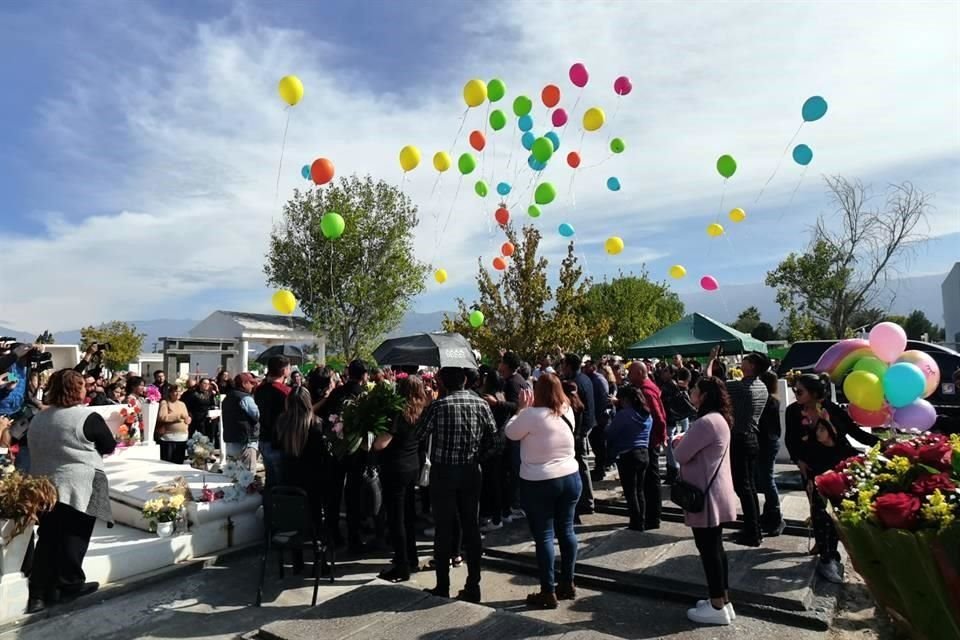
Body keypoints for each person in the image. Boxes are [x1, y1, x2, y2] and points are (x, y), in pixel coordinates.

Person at [26, 369, 116, 613]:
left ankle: (39, 594)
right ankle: (69, 585)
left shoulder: (39, 418)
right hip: (78, 484)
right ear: (76, 390)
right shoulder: (86, 417)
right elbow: (108, 445)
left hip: (44, 486)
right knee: (73, 538)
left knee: (48, 538)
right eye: (82, 386)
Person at [416, 367, 497, 603]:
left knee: (443, 528)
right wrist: (478, 457)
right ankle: (474, 584)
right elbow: (494, 440)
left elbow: (420, 434)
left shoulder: (439, 406)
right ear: (463, 381)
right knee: (471, 526)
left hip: (444, 471)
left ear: (443, 382)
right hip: (471, 471)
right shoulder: (480, 404)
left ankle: (443, 584)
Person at [504, 373, 581, 609]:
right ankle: (567, 582)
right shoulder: (566, 409)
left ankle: (548, 591)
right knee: (567, 530)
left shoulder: (531, 415)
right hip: (570, 476)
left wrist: (520, 409)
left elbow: (510, 432)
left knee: (545, 536)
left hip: (539, 481)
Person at [673, 376, 738, 626]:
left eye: (695, 390)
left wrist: (678, 440)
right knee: (716, 548)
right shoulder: (720, 419)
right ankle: (723, 599)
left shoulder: (705, 422)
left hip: (705, 493)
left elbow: (680, 453)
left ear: (704, 396)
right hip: (716, 489)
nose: (691, 392)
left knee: (708, 550)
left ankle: (716, 605)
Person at [373, 374, 429, 582]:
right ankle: (411, 557)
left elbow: (381, 443)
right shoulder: (422, 411)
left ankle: (402, 565)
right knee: (408, 515)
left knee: (396, 519)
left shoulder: (397, 412)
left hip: (395, 467)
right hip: (412, 464)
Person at [715, 351, 769, 547]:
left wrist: (713, 360)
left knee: (743, 488)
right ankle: (752, 527)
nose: (742, 361)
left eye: (746, 359)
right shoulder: (762, 386)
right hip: (752, 438)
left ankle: (753, 533)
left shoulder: (742, 387)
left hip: (740, 439)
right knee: (750, 488)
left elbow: (714, 384)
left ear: (752, 366)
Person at [319, 359, 369, 552]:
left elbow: (323, 415)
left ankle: (333, 535)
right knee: (353, 495)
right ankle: (354, 538)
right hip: (356, 450)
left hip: (336, 448)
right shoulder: (364, 395)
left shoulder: (337, 392)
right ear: (364, 375)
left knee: (334, 492)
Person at [275, 386, 326, 527]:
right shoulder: (315, 423)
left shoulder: (282, 421)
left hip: (289, 472)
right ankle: (316, 536)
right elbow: (320, 451)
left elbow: (277, 444)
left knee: (294, 510)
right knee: (314, 509)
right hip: (312, 474)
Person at [625, 362, 668, 530]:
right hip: (649, 440)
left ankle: (653, 517)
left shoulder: (646, 391)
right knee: (648, 480)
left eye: (630, 372)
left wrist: (660, 436)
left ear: (640, 373)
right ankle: (650, 515)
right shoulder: (646, 387)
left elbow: (659, 417)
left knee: (651, 480)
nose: (628, 374)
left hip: (649, 441)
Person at [605, 386, 653, 531]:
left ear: (626, 400)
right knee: (640, 490)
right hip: (644, 453)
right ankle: (642, 520)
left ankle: (635, 523)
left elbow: (610, 433)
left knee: (630, 491)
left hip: (628, 455)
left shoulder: (624, 414)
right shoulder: (647, 415)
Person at [560, 353, 596, 516]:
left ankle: (586, 501)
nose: (561, 368)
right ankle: (585, 500)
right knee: (581, 465)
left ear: (569, 366)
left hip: (578, 431)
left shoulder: (576, 383)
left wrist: (579, 433)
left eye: (563, 365)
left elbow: (578, 408)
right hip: (584, 428)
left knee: (580, 466)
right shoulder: (585, 378)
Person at [254, 356, 292, 488]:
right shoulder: (285, 392)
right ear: (283, 370)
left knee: (270, 479)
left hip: (264, 438)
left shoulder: (259, 390)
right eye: (288, 367)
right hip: (279, 441)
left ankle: (268, 506)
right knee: (281, 481)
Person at [756, 370, 785, 536]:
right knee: (765, 478)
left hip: (767, 442)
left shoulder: (769, 401)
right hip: (769, 441)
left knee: (767, 479)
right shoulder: (773, 400)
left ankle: (775, 514)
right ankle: (769, 512)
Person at [662, 366, 696, 485]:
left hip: (670, 419)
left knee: (670, 447)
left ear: (672, 374)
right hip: (671, 419)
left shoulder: (670, 386)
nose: (663, 372)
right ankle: (673, 470)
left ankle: (673, 471)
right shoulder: (672, 385)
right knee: (670, 446)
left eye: (666, 370)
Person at [221, 373, 260, 473]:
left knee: (234, 475)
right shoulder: (245, 398)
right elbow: (258, 415)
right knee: (247, 476)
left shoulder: (227, 397)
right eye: (251, 383)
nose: (252, 386)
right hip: (245, 441)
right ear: (244, 383)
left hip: (230, 440)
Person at [584, 359, 611, 482]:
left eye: (587, 367)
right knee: (596, 444)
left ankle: (600, 469)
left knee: (599, 444)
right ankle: (600, 468)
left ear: (592, 367)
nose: (584, 369)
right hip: (597, 417)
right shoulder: (593, 379)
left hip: (599, 418)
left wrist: (596, 417)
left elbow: (600, 400)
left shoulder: (597, 380)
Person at [157, 385, 190, 464]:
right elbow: (162, 417)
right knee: (168, 462)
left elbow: (185, 416)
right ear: (170, 393)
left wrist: (188, 420)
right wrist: (178, 416)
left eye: (180, 391)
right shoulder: (165, 402)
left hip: (182, 437)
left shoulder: (182, 404)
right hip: (169, 437)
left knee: (179, 462)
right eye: (176, 391)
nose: (178, 393)